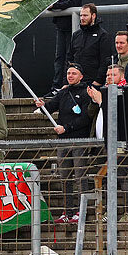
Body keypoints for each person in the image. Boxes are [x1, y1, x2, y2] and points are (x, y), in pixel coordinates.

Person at [34, 64, 98, 224]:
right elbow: (49, 107)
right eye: (68, 73)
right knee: (65, 177)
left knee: (79, 176)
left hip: (79, 140)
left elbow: (86, 118)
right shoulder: (63, 92)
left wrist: (67, 128)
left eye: (74, 73)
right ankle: (67, 211)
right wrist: (42, 105)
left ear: (81, 76)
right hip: (63, 141)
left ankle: (82, 211)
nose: (70, 76)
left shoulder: (85, 93)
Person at [48, 0, 85, 91]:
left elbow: (73, 2)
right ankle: (56, 86)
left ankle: (65, 84)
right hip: (61, 25)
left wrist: (55, 6)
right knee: (59, 57)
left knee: (69, 56)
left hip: (71, 25)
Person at [67, 4, 110, 87]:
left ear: (93, 16)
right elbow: (69, 59)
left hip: (93, 83)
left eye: (85, 15)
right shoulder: (76, 35)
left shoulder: (103, 35)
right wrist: (66, 81)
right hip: (76, 83)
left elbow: (105, 60)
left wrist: (98, 81)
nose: (82, 18)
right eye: (81, 15)